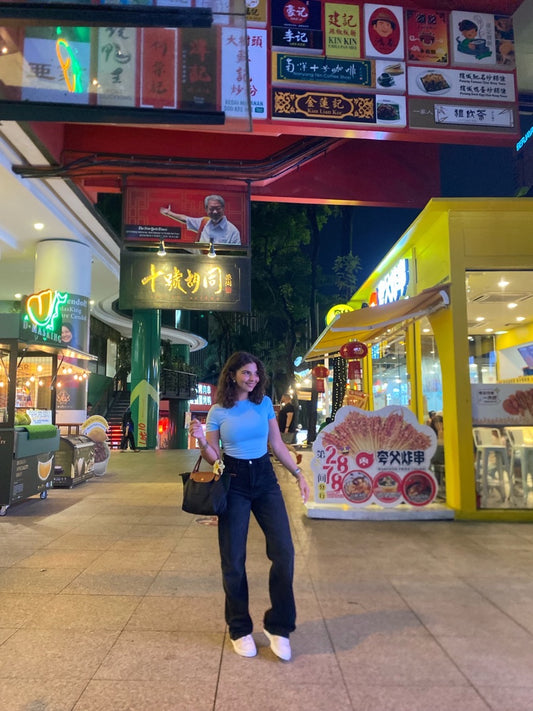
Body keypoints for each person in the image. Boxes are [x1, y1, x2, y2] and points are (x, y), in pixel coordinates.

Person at [190, 351, 310, 661]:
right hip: (234, 479)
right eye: (246, 373)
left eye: (255, 373)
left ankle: (279, 626)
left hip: (266, 480)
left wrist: (298, 474)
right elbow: (213, 456)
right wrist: (202, 442)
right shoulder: (218, 410)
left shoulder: (265, 403)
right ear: (232, 375)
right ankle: (240, 628)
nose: (252, 378)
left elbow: (277, 444)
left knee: (284, 552)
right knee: (233, 559)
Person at [159, 194, 241, 245]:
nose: (215, 212)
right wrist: (169, 213)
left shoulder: (233, 231)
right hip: (201, 265)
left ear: (223, 208)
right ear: (206, 209)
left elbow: (236, 254)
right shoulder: (203, 222)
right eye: (211, 209)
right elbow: (185, 219)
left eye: (218, 208)